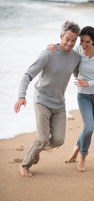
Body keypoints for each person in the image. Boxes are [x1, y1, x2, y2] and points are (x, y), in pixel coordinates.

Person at [14, 20, 81, 177]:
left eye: (73, 40)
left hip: (59, 104)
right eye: (67, 39)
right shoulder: (48, 53)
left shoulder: (76, 57)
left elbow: (79, 74)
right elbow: (28, 74)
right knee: (43, 138)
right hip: (42, 100)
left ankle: (37, 148)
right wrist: (21, 96)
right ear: (61, 36)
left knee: (58, 140)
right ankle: (25, 165)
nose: (70, 43)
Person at [47, 26, 94, 172]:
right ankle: (83, 156)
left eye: (87, 42)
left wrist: (88, 83)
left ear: (93, 40)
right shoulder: (78, 51)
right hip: (84, 96)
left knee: (89, 129)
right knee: (89, 127)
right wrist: (53, 46)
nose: (83, 44)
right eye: (81, 41)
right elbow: (65, 52)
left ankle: (76, 149)